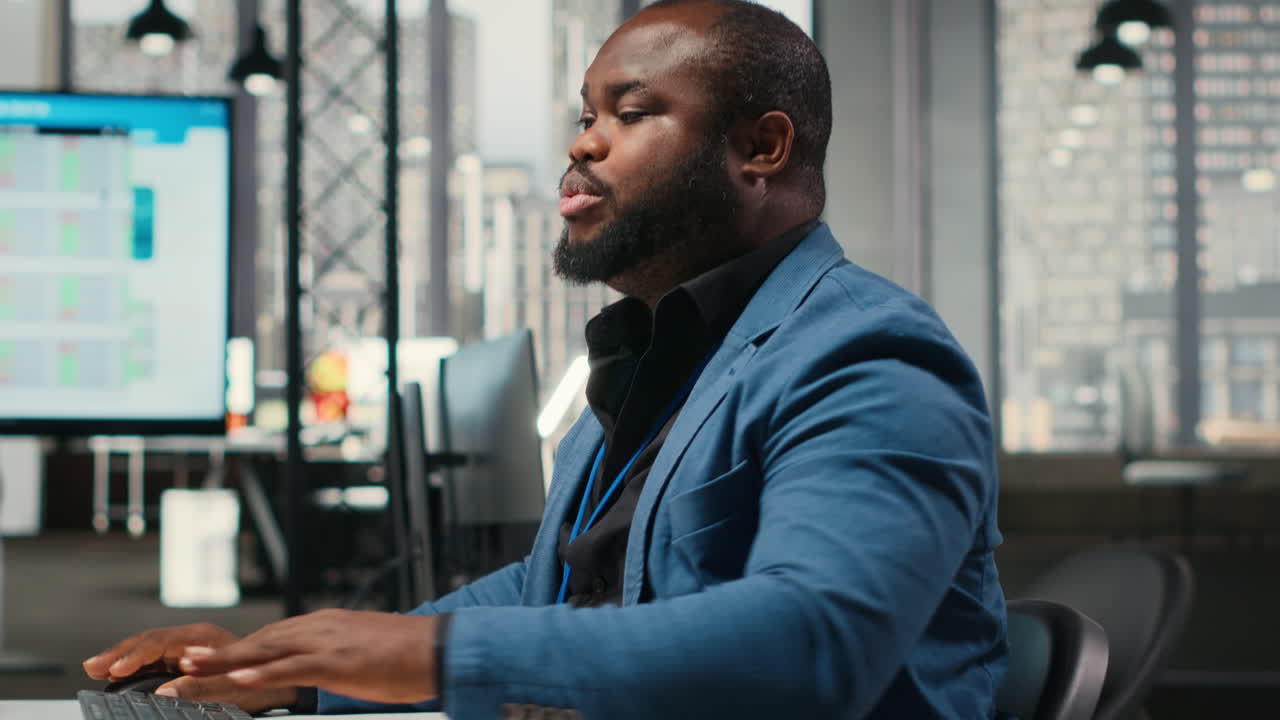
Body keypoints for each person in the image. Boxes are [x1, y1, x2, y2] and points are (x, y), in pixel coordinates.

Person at [84, 1, 1008, 717]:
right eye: (584, 113)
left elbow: (816, 643)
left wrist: (430, 661)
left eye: (631, 112)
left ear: (760, 147)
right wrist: (300, 668)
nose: (581, 141)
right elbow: (550, 586)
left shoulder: (868, 358)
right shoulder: (665, 350)